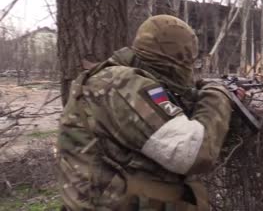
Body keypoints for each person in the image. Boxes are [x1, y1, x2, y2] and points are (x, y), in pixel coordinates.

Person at [57, 15, 243, 211]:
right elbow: (192, 152)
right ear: (173, 64)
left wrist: (199, 95)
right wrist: (218, 95)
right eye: (190, 64)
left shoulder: (120, 80)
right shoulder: (119, 83)